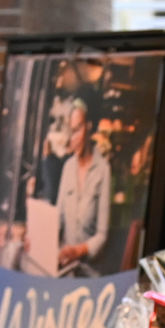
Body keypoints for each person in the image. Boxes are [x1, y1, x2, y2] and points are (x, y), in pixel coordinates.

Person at [55, 99, 111, 274]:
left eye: (78, 129)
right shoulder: (67, 168)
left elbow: (102, 235)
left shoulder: (103, 170)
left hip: (90, 272)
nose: (74, 138)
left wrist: (78, 251)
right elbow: (58, 219)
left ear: (89, 127)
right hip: (66, 268)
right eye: (71, 132)